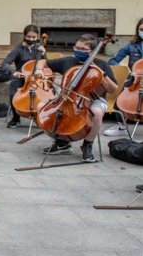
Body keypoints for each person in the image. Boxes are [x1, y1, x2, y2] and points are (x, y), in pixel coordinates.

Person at [42, 34, 118, 162]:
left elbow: (113, 89)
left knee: (97, 112)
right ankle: (62, 143)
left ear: (93, 51)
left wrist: (102, 74)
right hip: (67, 97)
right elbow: (43, 63)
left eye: (83, 49)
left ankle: (87, 145)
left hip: (94, 99)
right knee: (42, 107)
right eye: (77, 48)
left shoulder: (102, 65)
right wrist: (42, 72)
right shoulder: (68, 61)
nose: (78, 51)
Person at [1, 24, 47, 128]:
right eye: (29, 37)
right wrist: (14, 72)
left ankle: (38, 116)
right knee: (13, 92)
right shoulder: (18, 49)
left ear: (37, 37)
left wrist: (44, 54)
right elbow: (4, 64)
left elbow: (47, 65)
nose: (31, 39)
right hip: (21, 77)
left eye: (34, 37)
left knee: (43, 94)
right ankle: (16, 118)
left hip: (37, 78)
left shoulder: (39, 48)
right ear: (24, 36)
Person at [105, 17, 143, 136]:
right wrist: (128, 70)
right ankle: (121, 125)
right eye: (141, 29)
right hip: (135, 79)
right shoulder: (131, 45)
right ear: (138, 31)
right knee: (120, 98)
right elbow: (112, 61)